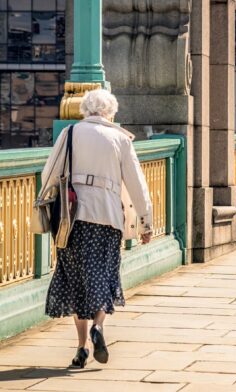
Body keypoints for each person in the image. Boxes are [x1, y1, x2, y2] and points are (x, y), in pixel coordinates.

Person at [39, 89, 153, 368]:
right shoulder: (121, 139)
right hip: (108, 219)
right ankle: (98, 328)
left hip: (73, 219)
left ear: (85, 110)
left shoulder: (70, 133)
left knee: (77, 281)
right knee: (103, 276)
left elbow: (49, 174)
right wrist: (146, 222)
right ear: (111, 112)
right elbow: (137, 184)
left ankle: (81, 350)